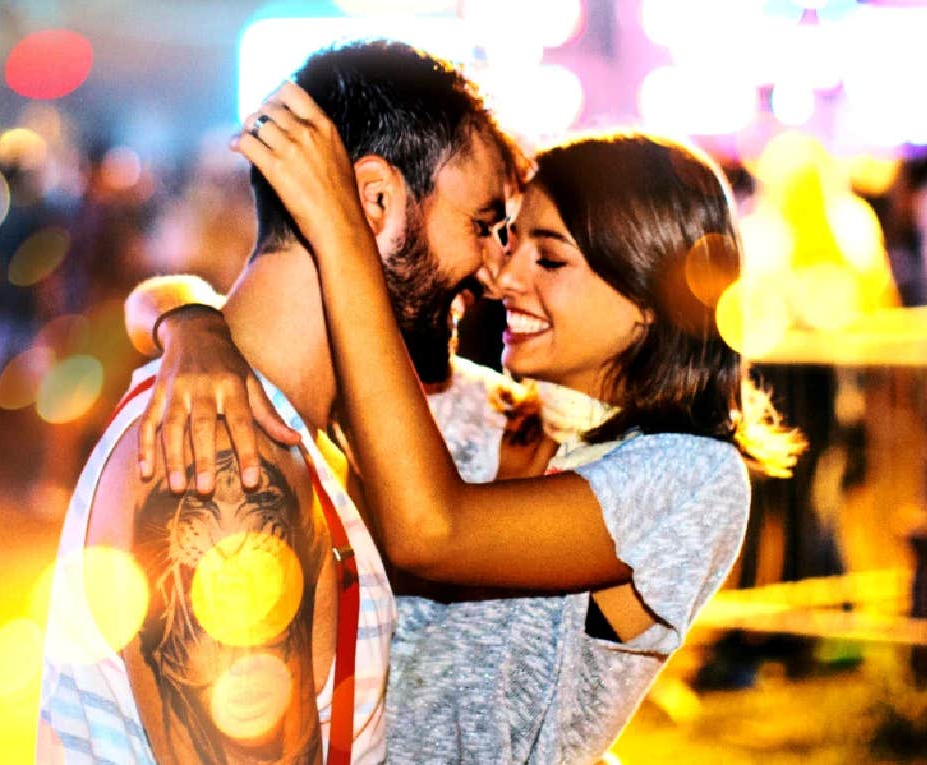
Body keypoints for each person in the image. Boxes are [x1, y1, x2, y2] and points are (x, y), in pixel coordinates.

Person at [141, 85, 805, 762]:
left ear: (650, 295)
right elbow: (227, 305)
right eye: (508, 240)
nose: (502, 276)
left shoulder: (688, 475)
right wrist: (191, 324)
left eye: (549, 257)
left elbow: (430, 530)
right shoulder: (468, 406)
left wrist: (343, 232)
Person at [35, 40, 526, 764]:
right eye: (483, 225)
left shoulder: (285, 428)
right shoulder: (226, 458)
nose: (493, 271)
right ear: (374, 200)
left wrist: (183, 314)